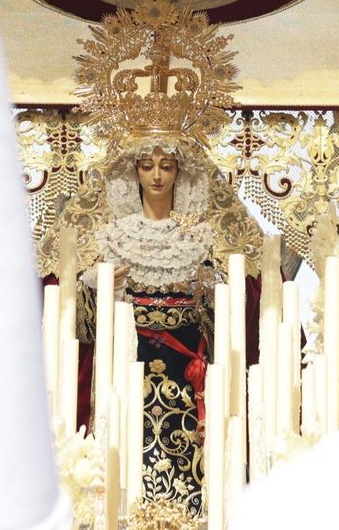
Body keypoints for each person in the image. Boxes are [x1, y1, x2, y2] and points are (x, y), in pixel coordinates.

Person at [83, 139, 218, 514]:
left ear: (180, 173)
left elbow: (225, 312)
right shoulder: (113, 237)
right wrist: (98, 285)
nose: (157, 175)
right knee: (126, 456)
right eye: (146, 165)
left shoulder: (198, 238)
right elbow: (82, 320)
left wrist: (205, 288)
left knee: (188, 464)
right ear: (133, 173)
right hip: (128, 368)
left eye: (166, 166)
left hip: (185, 377)